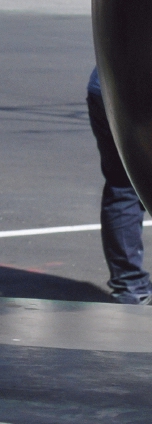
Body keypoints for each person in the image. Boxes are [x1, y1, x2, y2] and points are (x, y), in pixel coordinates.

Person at [88, 67, 151, 304]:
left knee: (123, 186)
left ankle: (130, 287)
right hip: (137, 95)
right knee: (124, 187)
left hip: (107, 88)